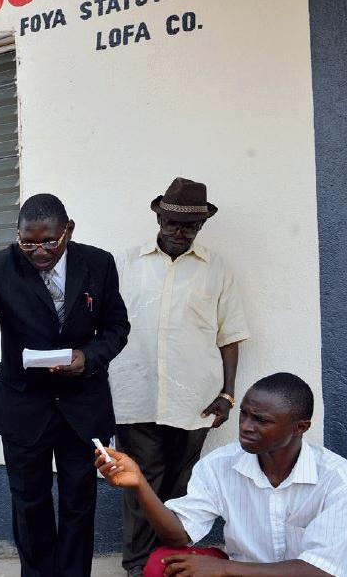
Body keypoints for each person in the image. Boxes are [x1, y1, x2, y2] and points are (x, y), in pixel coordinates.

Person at [0, 193, 130, 577]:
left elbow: (116, 327)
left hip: (82, 407)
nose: (39, 251)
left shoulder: (98, 263)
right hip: (23, 407)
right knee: (29, 504)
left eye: (49, 242)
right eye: (28, 243)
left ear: (68, 230)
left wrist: (88, 357)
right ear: (18, 235)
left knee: (79, 502)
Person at [109, 177, 250, 576]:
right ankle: (137, 565)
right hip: (135, 395)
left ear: (201, 226)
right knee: (139, 482)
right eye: (172, 222)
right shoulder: (125, 264)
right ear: (159, 218)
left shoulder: (217, 269)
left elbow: (230, 336)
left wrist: (228, 395)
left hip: (195, 401)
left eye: (189, 226)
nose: (179, 232)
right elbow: (103, 325)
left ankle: (170, 564)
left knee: (182, 487)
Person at [97, 373, 347, 577]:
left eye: (261, 420)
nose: (245, 426)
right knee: (161, 564)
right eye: (244, 414)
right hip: (242, 572)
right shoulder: (220, 464)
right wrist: (140, 484)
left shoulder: (341, 479)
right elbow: (178, 536)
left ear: (300, 427)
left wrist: (224, 568)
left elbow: (323, 570)